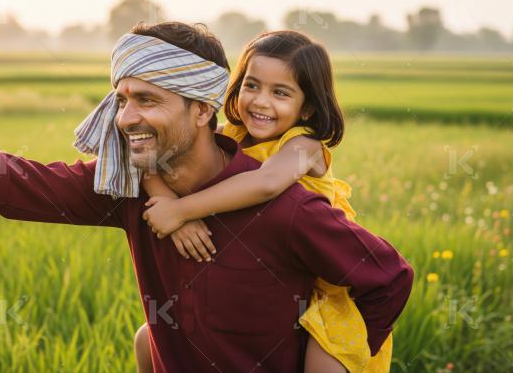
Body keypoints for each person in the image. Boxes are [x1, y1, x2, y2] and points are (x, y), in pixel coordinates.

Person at [0, 21, 413, 372]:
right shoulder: (128, 190)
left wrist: (336, 355)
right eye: (122, 99)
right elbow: (18, 182)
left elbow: (387, 278)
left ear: (201, 108)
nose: (126, 118)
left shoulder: (287, 205)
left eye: (148, 100)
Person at [137, 30, 390, 372]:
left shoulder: (305, 146)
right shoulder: (231, 134)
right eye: (252, 85)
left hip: (329, 287)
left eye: (281, 93)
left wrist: (180, 210)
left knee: (322, 367)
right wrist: (162, 195)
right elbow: (150, 157)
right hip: (269, 284)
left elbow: (266, 182)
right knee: (147, 338)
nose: (260, 101)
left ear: (308, 108)